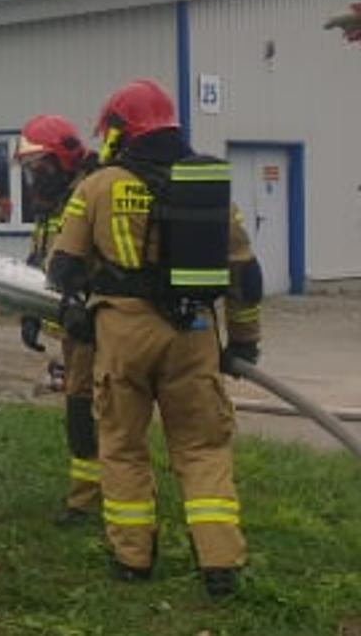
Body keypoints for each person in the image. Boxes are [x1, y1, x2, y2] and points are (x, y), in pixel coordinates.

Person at [47, 79, 262, 598]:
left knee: (122, 447)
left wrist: (74, 311)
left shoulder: (97, 187)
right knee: (202, 447)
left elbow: (63, 266)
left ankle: (133, 559)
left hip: (123, 335)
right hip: (192, 334)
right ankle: (219, 563)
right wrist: (243, 343)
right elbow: (245, 274)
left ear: (119, 132)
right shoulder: (209, 187)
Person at [13, 114, 102, 526]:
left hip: (98, 322)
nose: (35, 177)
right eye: (31, 168)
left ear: (63, 158)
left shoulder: (92, 192)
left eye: (40, 166)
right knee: (80, 408)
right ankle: (91, 494)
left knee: (93, 410)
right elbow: (39, 260)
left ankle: (91, 502)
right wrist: (31, 310)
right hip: (72, 324)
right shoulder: (51, 204)